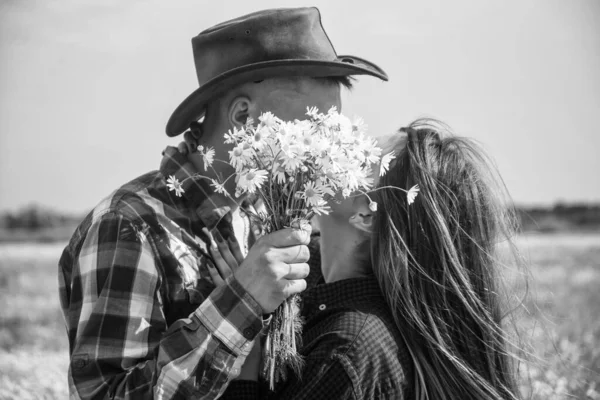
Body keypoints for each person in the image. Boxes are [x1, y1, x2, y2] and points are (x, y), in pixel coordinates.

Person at [57, 7, 387, 400]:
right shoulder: (130, 226)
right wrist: (242, 301)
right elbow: (103, 394)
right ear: (246, 118)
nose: (329, 148)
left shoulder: (274, 212)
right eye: (315, 128)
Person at [215, 120, 522, 399]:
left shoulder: (346, 352)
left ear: (365, 214)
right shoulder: (319, 293)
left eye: (360, 158)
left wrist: (243, 360)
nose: (337, 150)